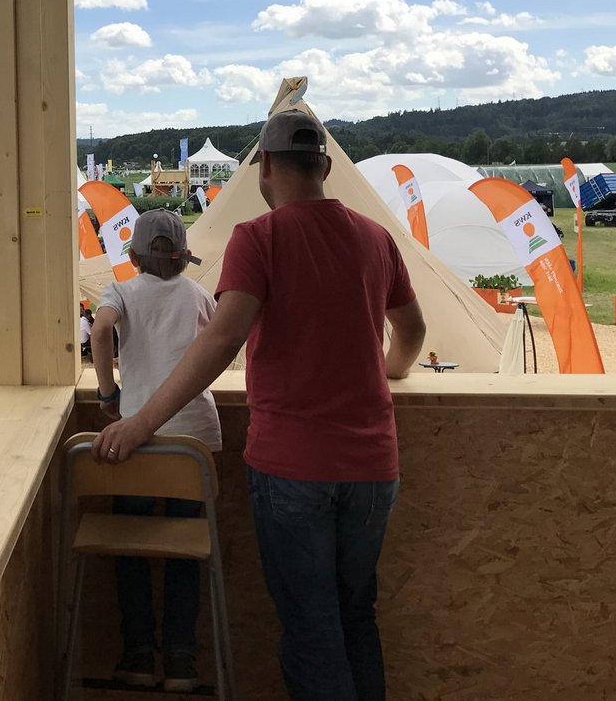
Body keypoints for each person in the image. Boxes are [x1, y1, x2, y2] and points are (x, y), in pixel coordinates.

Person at [95, 111, 426, 701]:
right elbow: (412, 331)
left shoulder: (259, 237)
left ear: (264, 167)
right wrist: (389, 371)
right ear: (324, 166)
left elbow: (222, 339)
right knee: (357, 617)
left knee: (312, 628)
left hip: (293, 467)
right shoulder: (377, 238)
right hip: (374, 466)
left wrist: (140, 421)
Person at [91, 210, 219, 691]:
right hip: (194, 443)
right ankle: (182, 663)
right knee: (187, 549)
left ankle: (140, 655)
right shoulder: (198, 295)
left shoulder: (121, 291)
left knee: (132, 545)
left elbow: (100, 331)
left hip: (137, 443)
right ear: (185, 257)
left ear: (131, 255)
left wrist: (109, 394)